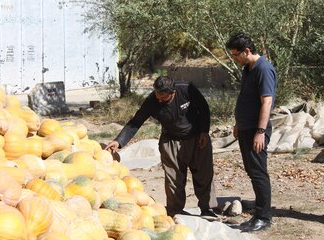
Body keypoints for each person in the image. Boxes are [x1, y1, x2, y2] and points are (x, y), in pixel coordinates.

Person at [105, 76, 218, 218]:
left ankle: (207, 209)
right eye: (157, 95)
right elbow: (136, 121)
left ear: (173, 93)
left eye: (163, 97)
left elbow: (204, 108)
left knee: (204, 174)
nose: (159, 99)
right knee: (173, 180)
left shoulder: (186, 89)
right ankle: (175, 211)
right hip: (170, 141)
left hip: (196, 138)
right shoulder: (153, 100)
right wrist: (119, 141)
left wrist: (204, 132)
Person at [225, 32, 277, 232]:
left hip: (257, 131)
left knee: (258, 172)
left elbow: (267, 102)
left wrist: (260, 131)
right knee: (252, 171)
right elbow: (246, 98)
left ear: (247, 51)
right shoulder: (248, 69)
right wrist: (239, 123)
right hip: (245, 129)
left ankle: (264, 217)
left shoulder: (264, 69)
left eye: (236, 55)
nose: (234, 58)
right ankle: (259, 211)